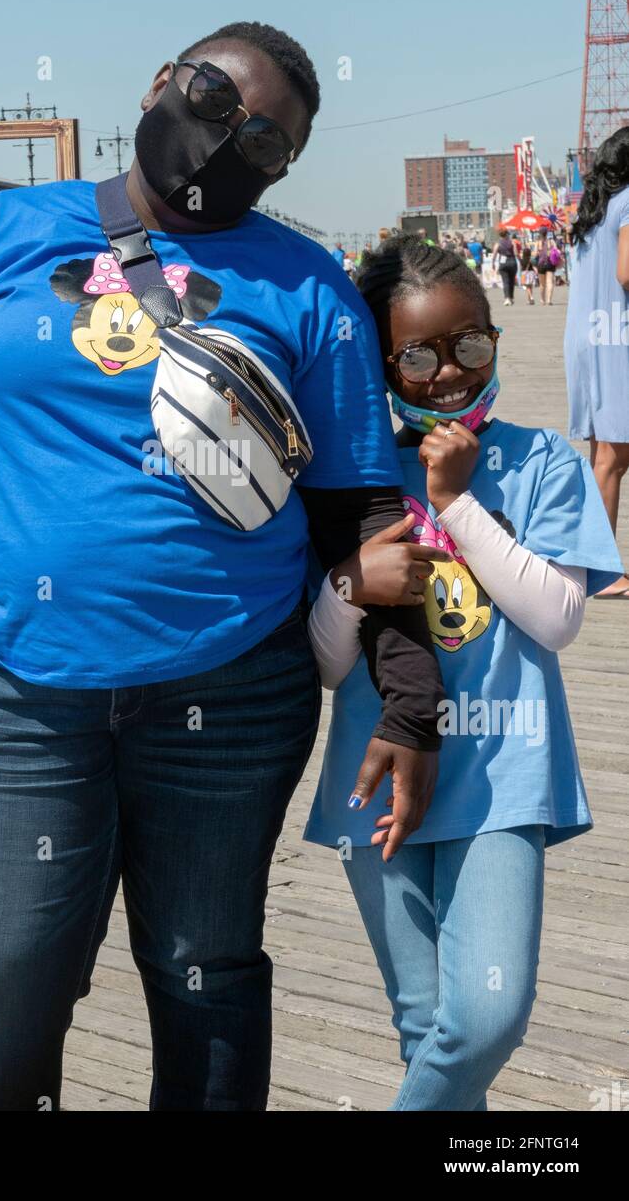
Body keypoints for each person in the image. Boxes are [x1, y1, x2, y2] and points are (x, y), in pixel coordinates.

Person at [0, 21, 446, 1112]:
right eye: (215, 101)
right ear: (162, 81)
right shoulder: (4, 234)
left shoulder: (307, 287)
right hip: (31, 695)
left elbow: (361, 514)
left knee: (203, 973)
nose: (229, 141)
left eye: (266, 141)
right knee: (4, 983)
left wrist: (407, 705)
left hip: (232, 695)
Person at [305, 234, 623, 1111]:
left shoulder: (541, 459)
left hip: (501, 777)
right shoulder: (352, 481)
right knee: (429, 1031)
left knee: (484, 1016)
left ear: (494, 336)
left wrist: (456, 505)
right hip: (373, 784)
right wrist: (347, 586)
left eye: (469, 344)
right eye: (416, 355)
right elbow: (330, 668)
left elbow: (557, 618)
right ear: (380, 362)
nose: (448, 372)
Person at [565, 125, 629, 598]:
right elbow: (627, 272)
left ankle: (592, 562)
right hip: (616, 336)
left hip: (586, 336)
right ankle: (601, 572)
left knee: (603, 455)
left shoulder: (594, 209)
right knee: (612, 456)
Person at [492, 230, 517, 305]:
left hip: (503, 263)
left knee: (505, 281)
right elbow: (516, 253)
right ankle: (511, 298)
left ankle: (507, 298)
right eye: (508, 234)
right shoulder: (512, 242)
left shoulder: (498, 243)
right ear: (506, 235)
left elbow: (494, 254)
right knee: (512, 281)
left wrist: (493, 263)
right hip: (512, 261)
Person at [535, 234, 555, 306]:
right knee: (550, 282)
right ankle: (549, 300)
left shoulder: (538, 242)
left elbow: (535, 254)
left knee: (542, 284)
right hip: (550, 264)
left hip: (541, 264)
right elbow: (556, 251)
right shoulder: (551, 241)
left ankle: (542, 300)